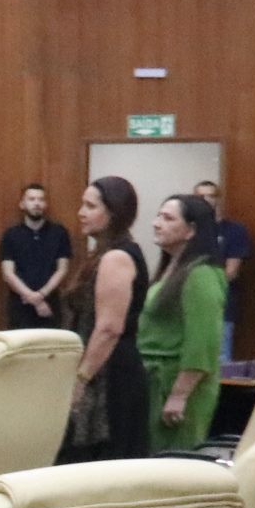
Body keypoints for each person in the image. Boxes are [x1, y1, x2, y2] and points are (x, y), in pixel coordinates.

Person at [58, 175, 150, 464]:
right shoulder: (102, 254)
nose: (81, 213)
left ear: (113, 213)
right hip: (104, 367)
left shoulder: (117, 258)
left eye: (90, 206)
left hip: (110, 376)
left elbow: (109, 328)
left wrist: (81, 379)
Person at [142, 192, 228, 452]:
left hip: (177, 383)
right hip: (153, 377)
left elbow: (203, 340)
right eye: (158, 216)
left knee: (172, 460)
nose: (157, 223)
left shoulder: (201, 273)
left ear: (191, 230)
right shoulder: (171, 267)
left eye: (168, 218)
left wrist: (179, 395)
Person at [0, 183, 73, 329]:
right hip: (19, 304)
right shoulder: (11, 234)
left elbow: (62, 269)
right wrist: (32, 298)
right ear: (22, 204)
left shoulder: (59, 233)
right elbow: (7, 273)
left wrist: (41, 295)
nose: (36, 203)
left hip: (50, 303)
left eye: (41, 199)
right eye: (31, 199)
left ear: (45, 204)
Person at [196, 179, 251, 362]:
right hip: (191, 304)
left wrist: (202, 286)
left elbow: (231, 272)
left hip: (222, 304)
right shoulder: (189, 231)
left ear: (218, 198)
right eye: (201, 196)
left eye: (211, 196)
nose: (206, 200)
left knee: (221, 358)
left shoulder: (234, 231)